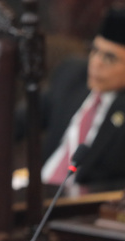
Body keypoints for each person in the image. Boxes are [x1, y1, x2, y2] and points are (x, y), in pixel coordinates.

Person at [39, 8, 125, 190]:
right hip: (37, 188)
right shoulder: (71, 75)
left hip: (81, 208)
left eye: (109, 58)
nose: (96, 63)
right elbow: (20, 120)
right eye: (94, 51)